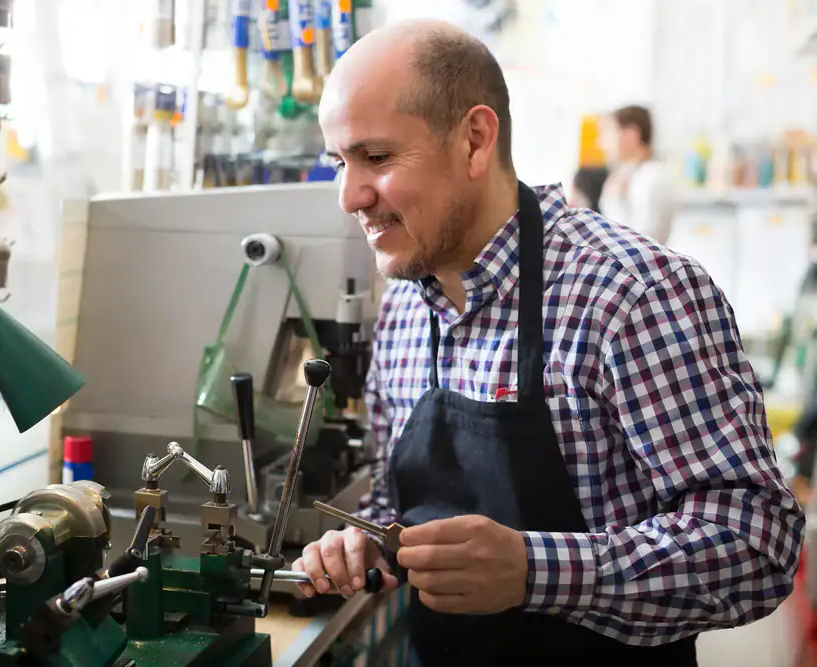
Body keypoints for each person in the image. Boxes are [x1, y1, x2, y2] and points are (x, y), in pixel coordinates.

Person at [292, 18, 804, 667]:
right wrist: (366, 542)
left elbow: (757, 545)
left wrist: (536, 569)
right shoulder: (402, 311)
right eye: (341, 161)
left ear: (475, 140)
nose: (349, 196)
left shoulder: (631, 294)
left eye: (377, 157)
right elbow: (397, 507)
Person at [599, 105, 676, 244]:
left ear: (631, 134)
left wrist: (616, 200)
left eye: (608, 133)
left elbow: (641, 243)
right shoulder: (626, 175)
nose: (601, 143)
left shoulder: (652, 178)